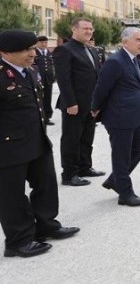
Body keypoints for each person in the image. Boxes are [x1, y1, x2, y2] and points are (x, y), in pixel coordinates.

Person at [0, 29, 79, 258]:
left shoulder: (30, 71)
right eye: (25, 50)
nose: (32, 53)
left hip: (37, 140)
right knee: (12, 195)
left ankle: (46, 225)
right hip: (8, 147)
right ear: (4, 52)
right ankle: (18, 241)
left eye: (33, 48)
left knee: (46, 185)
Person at [91, 27, 140, 207]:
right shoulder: (115, 62)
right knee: (121, 155)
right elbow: (102, 87)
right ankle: (125, 193)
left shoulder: (135, 60)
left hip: (137, 114)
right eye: (138, 40)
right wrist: (95, 107)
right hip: (119, 116)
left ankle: (115, 180)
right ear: (125, 42)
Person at [53, 18, 105, 186]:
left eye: (91, 29)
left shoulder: (91, 50)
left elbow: (96, 77)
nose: (89, 31)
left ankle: (84, 167)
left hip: (90, 104)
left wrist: (98, 102)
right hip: (74, 105)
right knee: (71, 139)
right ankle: (69, 174)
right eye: (85, 28)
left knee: (87, 137)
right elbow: (63, 79)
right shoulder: (65, 50)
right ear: (74, 29)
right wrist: (70, 103)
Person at [33, 35, 56, 125]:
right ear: (37, 43)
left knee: (48, 98)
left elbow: (53, 66)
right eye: (41, 42)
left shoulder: (49, 53)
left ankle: (47, 117)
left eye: (45, 42)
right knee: (39, 98)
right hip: (38, 80)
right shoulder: (34, 52)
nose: (44, 44)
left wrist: (54, 76)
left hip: (48, 80)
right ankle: (39, 117)